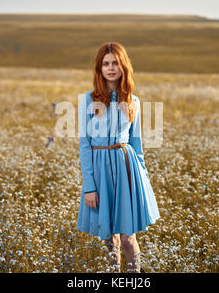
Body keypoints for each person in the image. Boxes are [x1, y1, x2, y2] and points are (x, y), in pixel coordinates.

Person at [76, 42, 160, 273]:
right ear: (99, 68)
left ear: (123, 66)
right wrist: (89, 187)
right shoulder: (87, 100)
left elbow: (136, 143)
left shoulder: (133, 101)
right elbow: (84, 145)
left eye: (115, 63)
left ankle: (135, 279)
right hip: (100, 172)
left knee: (127, 239)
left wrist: (143, 180)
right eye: (105, 63)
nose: (110, 68)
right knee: (109, 239)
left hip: (127, 169)